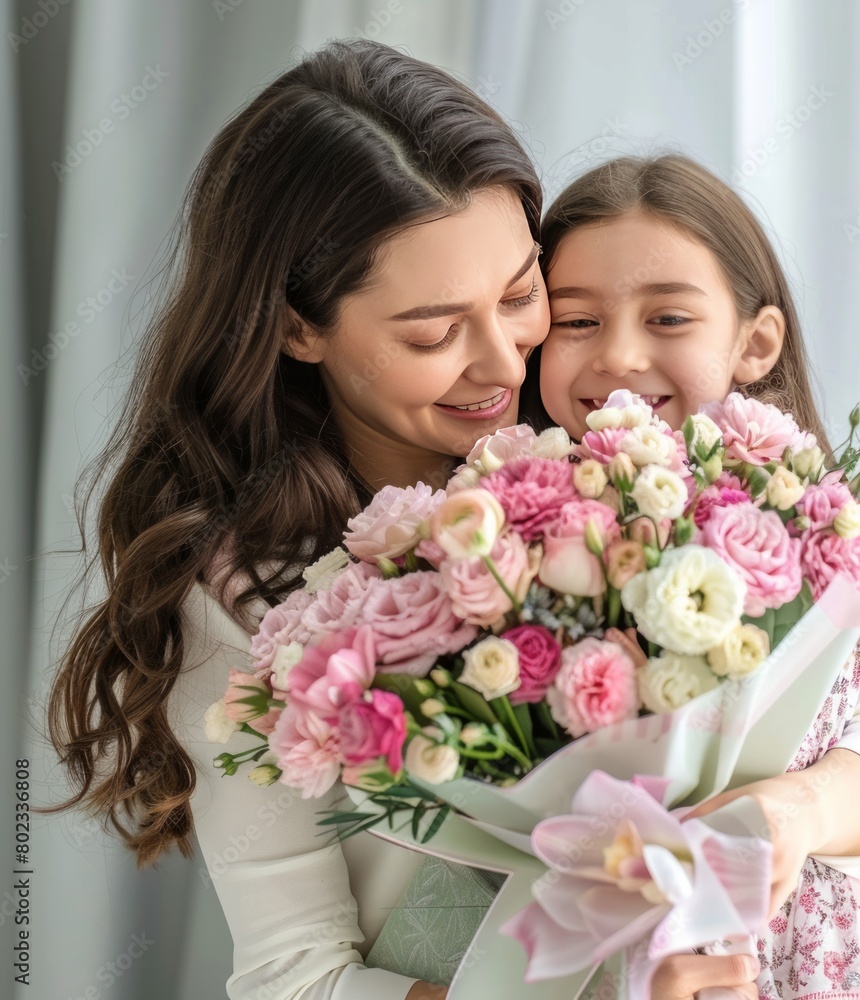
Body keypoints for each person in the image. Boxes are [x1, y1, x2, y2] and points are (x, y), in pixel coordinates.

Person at [42, 42, 765, 999]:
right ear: (298, 327)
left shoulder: (603, 443)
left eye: (518, 295)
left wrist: (788, 821)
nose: (503, 364)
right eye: (430, 333)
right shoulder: (250, 594)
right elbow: (294, 978)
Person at [530, 152, 860, 997]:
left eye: (670, 318)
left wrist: (791, 816)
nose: (617, 356)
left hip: (834, 952)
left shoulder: (803, 522)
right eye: (575, 322)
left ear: (754, 344)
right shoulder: (510, 544)